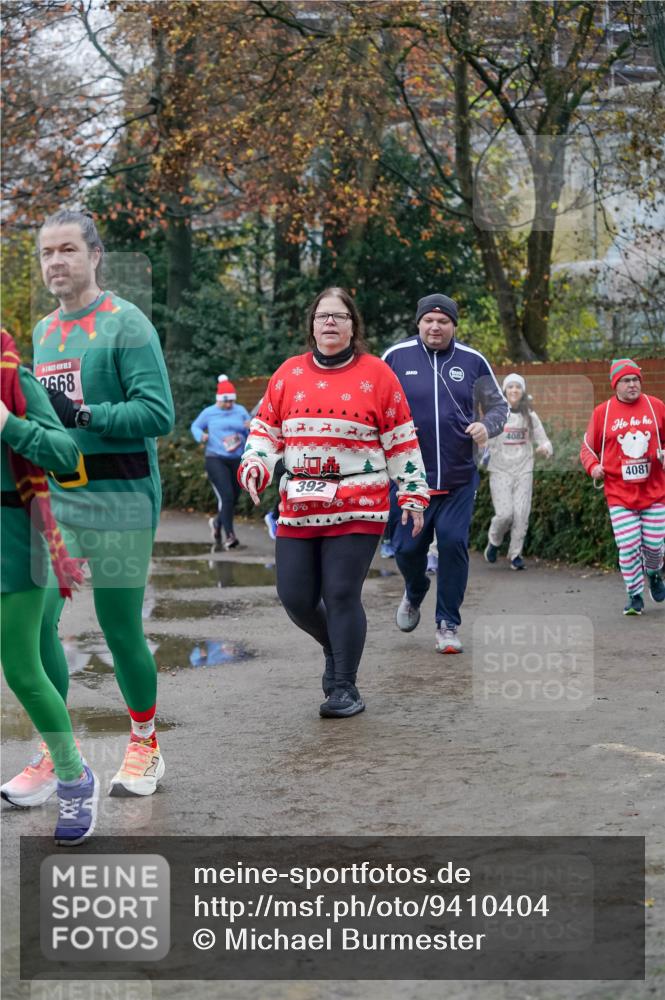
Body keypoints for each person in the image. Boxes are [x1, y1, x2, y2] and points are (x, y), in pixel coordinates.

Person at [3, 209, 175, 803]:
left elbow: (159, 414)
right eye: (47, 253)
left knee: (119, 626)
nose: (56, 262)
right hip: (64, 500)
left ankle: (145, 742)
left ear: (95, 256)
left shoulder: (128, 324)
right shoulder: (45, 332)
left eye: (68, 250)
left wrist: (85, 416)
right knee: (40, 618)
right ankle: (58, 752)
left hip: (125, 495)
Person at [239, 287, 429, 718]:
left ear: (352, 326)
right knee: (296, 597)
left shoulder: (378, 375)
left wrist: (414, 493)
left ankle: (345, 686)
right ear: (311, 324)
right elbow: (267, 431)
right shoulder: (288, 374)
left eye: (339, 316)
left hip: (359, 501)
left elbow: (401, 439)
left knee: (341, 593)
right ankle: (335, 644)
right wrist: (256, 466)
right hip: (300, 502)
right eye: (323, 316)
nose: (330, 323)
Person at [0, 330, 98, 844]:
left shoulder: (13, 376)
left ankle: (73, 776)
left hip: (15, 540)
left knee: (22, 670)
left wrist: (7, 423)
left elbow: (64, 453)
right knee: (34, 655)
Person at [382, 293, 508, 653]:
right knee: (406, 551)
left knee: (453, 545)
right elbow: (374, 408)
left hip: (457, 477)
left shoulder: (472, 360)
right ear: (418, 323)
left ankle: (447, 624)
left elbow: (499, 407)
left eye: (443, 321)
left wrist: (487, 426)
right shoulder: (394, 357)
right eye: (428, 321)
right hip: (409, 479)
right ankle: (416, 589)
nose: (435, 327)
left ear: (454, 325)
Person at [580, 358, 665, 615]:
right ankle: (634, 594)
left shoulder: (656, 406)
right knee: (628, 546)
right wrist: (593, 467)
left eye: (636, 379)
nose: (632, 385)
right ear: (615, 384)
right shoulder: (602, 413)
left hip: (655, 493)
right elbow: (587, 449)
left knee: (654, 545)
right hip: (619, 494)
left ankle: (654, 572)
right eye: (626, 381)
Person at [483, 373, 553, 570]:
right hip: (500, 471)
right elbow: (483, 440)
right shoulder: (495, 415)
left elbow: (544, 440)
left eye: (518, 387)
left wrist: (546, 448)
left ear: (522, 392)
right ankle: (494, 541)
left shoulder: (529, 416)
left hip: (523, 471)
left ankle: (515, 555)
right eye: (510, 387)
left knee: (521, 514)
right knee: (505, 514)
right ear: (504, 391)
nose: (514, 390)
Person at [190, 375, 250, 550]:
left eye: (231, 402)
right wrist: (201, 436)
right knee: (227, 497)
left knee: (234, 498)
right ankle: (230, 536)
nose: (229, 405)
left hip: (236, 459)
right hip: (215, 458)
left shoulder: (240, 411)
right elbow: (195, 426)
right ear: (219, 400)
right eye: (226, 402)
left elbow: (250, 430)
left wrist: (250, 427)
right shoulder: (209, 412)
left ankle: (217, 523)